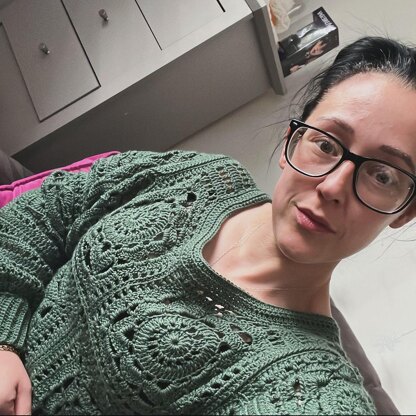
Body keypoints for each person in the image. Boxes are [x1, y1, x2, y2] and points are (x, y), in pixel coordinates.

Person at [1, 36, 416, 415]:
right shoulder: (201, 177)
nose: (332, 187)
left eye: (383, 176)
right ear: (293, 139)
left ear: (403, 211)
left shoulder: (312, 389)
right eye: (325, 143)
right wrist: (5, 341)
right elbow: (43, 211)